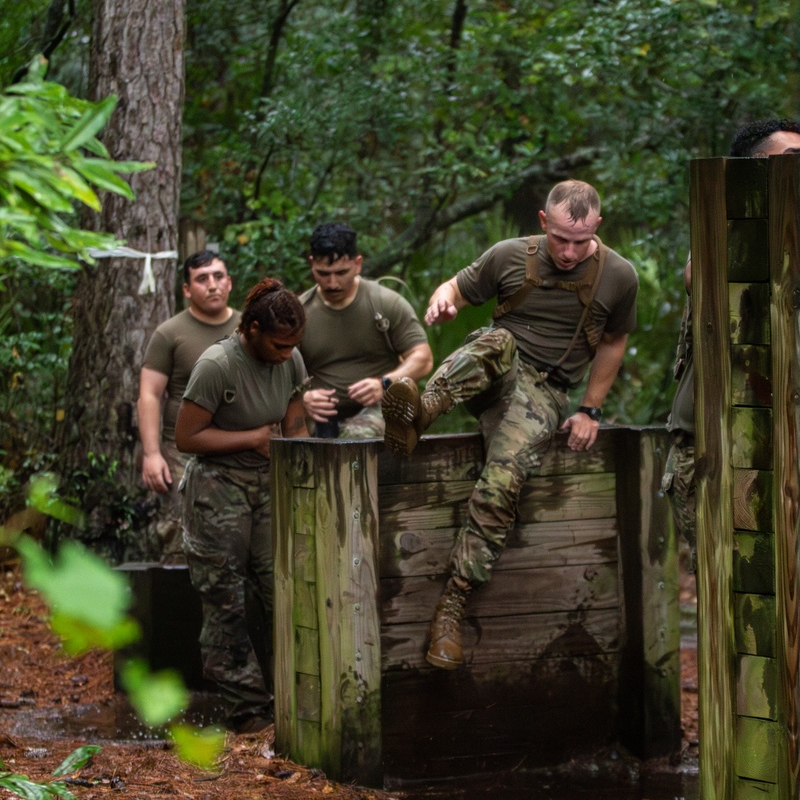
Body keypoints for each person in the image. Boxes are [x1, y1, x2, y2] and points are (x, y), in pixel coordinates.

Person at [382, 179, 639, 670]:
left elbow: (613, 341)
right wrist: (443, 301)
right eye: (560, 238)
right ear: (544, 223)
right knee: (496, 340)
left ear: (596, 229)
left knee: (501, 483)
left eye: (580, 241)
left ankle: (452, 606)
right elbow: (455, 286)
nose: (568, 252)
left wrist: (589, 409)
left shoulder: (619, 277)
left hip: (543, 392)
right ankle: (420, 412)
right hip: (494, 374)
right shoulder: (509, 255)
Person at [663, 118, 800, 567]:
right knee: (733, 591)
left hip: (782, 445)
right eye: (791, 161)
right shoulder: (723, 230)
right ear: (754, 169)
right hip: (709, 447)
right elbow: (699, 274)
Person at [175, 278, 308, 732]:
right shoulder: (217, 365)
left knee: (282, 591)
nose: (287, 353)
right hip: (219, 489)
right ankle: (248, 711)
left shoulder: (291, 360)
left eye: (294, 345)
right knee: (225, 599)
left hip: (269, 485)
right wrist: (252, 438)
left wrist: (301, 465)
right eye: (279, 344)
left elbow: (296, 421)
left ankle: (291, 701)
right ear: (251, 329)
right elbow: (186, 437)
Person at [137, 250, 240, 559]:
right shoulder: (169, 333)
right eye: (202, 279)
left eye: (218, 277)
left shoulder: (249, 328)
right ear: (186, 289)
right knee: (177, 538)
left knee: (238, 541)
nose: (212, 285)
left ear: (230, 283)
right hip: (181, 453)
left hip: (240, 450)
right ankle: (177, 604)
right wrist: (152, 454)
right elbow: (149, 394)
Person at [299, 222, 433, 438]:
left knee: (355, 438)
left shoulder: (385, 303)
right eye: (323, 274)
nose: (333, 283)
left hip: (381, 406)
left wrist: (385, 383)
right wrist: (302, 398)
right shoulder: (300, 313)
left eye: (341, 272)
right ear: (312, 264)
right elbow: (276, 370)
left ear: (358, 264)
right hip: (321, 414)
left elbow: (423, 358)